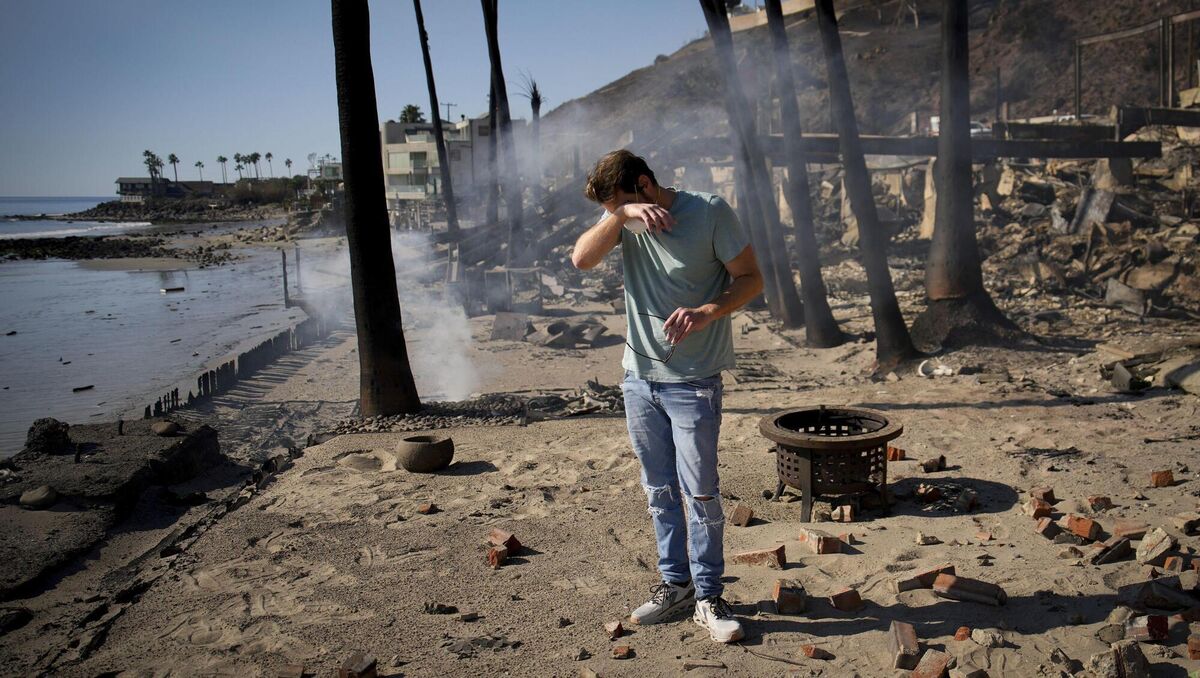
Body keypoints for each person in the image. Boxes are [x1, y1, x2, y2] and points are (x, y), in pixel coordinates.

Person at [571, 149, 764, 643]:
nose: (615, 214)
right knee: (658, 491)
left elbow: (751, 279)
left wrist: (706, 311)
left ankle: (708, 596)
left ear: (646, 184)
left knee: (699, 492)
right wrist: (620, 214)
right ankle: (675, 586)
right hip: (638, 380)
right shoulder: (623, 221)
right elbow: (581, 259)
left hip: (694, 381)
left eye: (622, 201)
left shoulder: (710, 212)